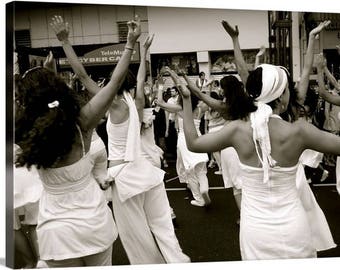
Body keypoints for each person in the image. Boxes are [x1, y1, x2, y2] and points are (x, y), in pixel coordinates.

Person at [14, 14, 143, 267]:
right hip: (94, 225)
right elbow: (115, 81)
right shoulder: (82, 123)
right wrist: (129, 43)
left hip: (56, 233)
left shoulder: (26, 132)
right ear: (57, 88)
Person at [176, 63, 340, 260]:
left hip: (255, 228)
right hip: (293, 225)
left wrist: (187, 101)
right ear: (281, 95)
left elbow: (193, 143)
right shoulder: (299, 131)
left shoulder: (237, 129)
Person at [157, 68, 210, 207]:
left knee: (189, 171)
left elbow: (160, 103)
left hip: (184, 138)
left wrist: (161, 85)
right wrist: (181, 75)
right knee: (201, 169)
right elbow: (188, 89)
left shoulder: (180, 108)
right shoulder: (201, 108)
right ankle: (205, 189)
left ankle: (199, 198)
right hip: (199, 137)